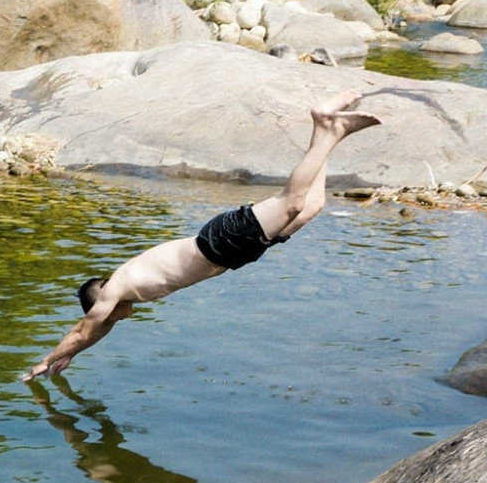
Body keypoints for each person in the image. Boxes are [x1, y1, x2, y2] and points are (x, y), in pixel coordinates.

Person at [22, 90, 382, 380]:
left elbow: (85, 330)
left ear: (103, 304)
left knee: (291, 202)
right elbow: (93, 332)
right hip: (231, 253)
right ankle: (324, 134)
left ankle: (327, 125)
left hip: (219, 242)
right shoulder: (122, 290)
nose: (113, 321)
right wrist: (69, 356)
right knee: (311, 206)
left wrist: (48, 359)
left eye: (109, 316)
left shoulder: (116, 288)